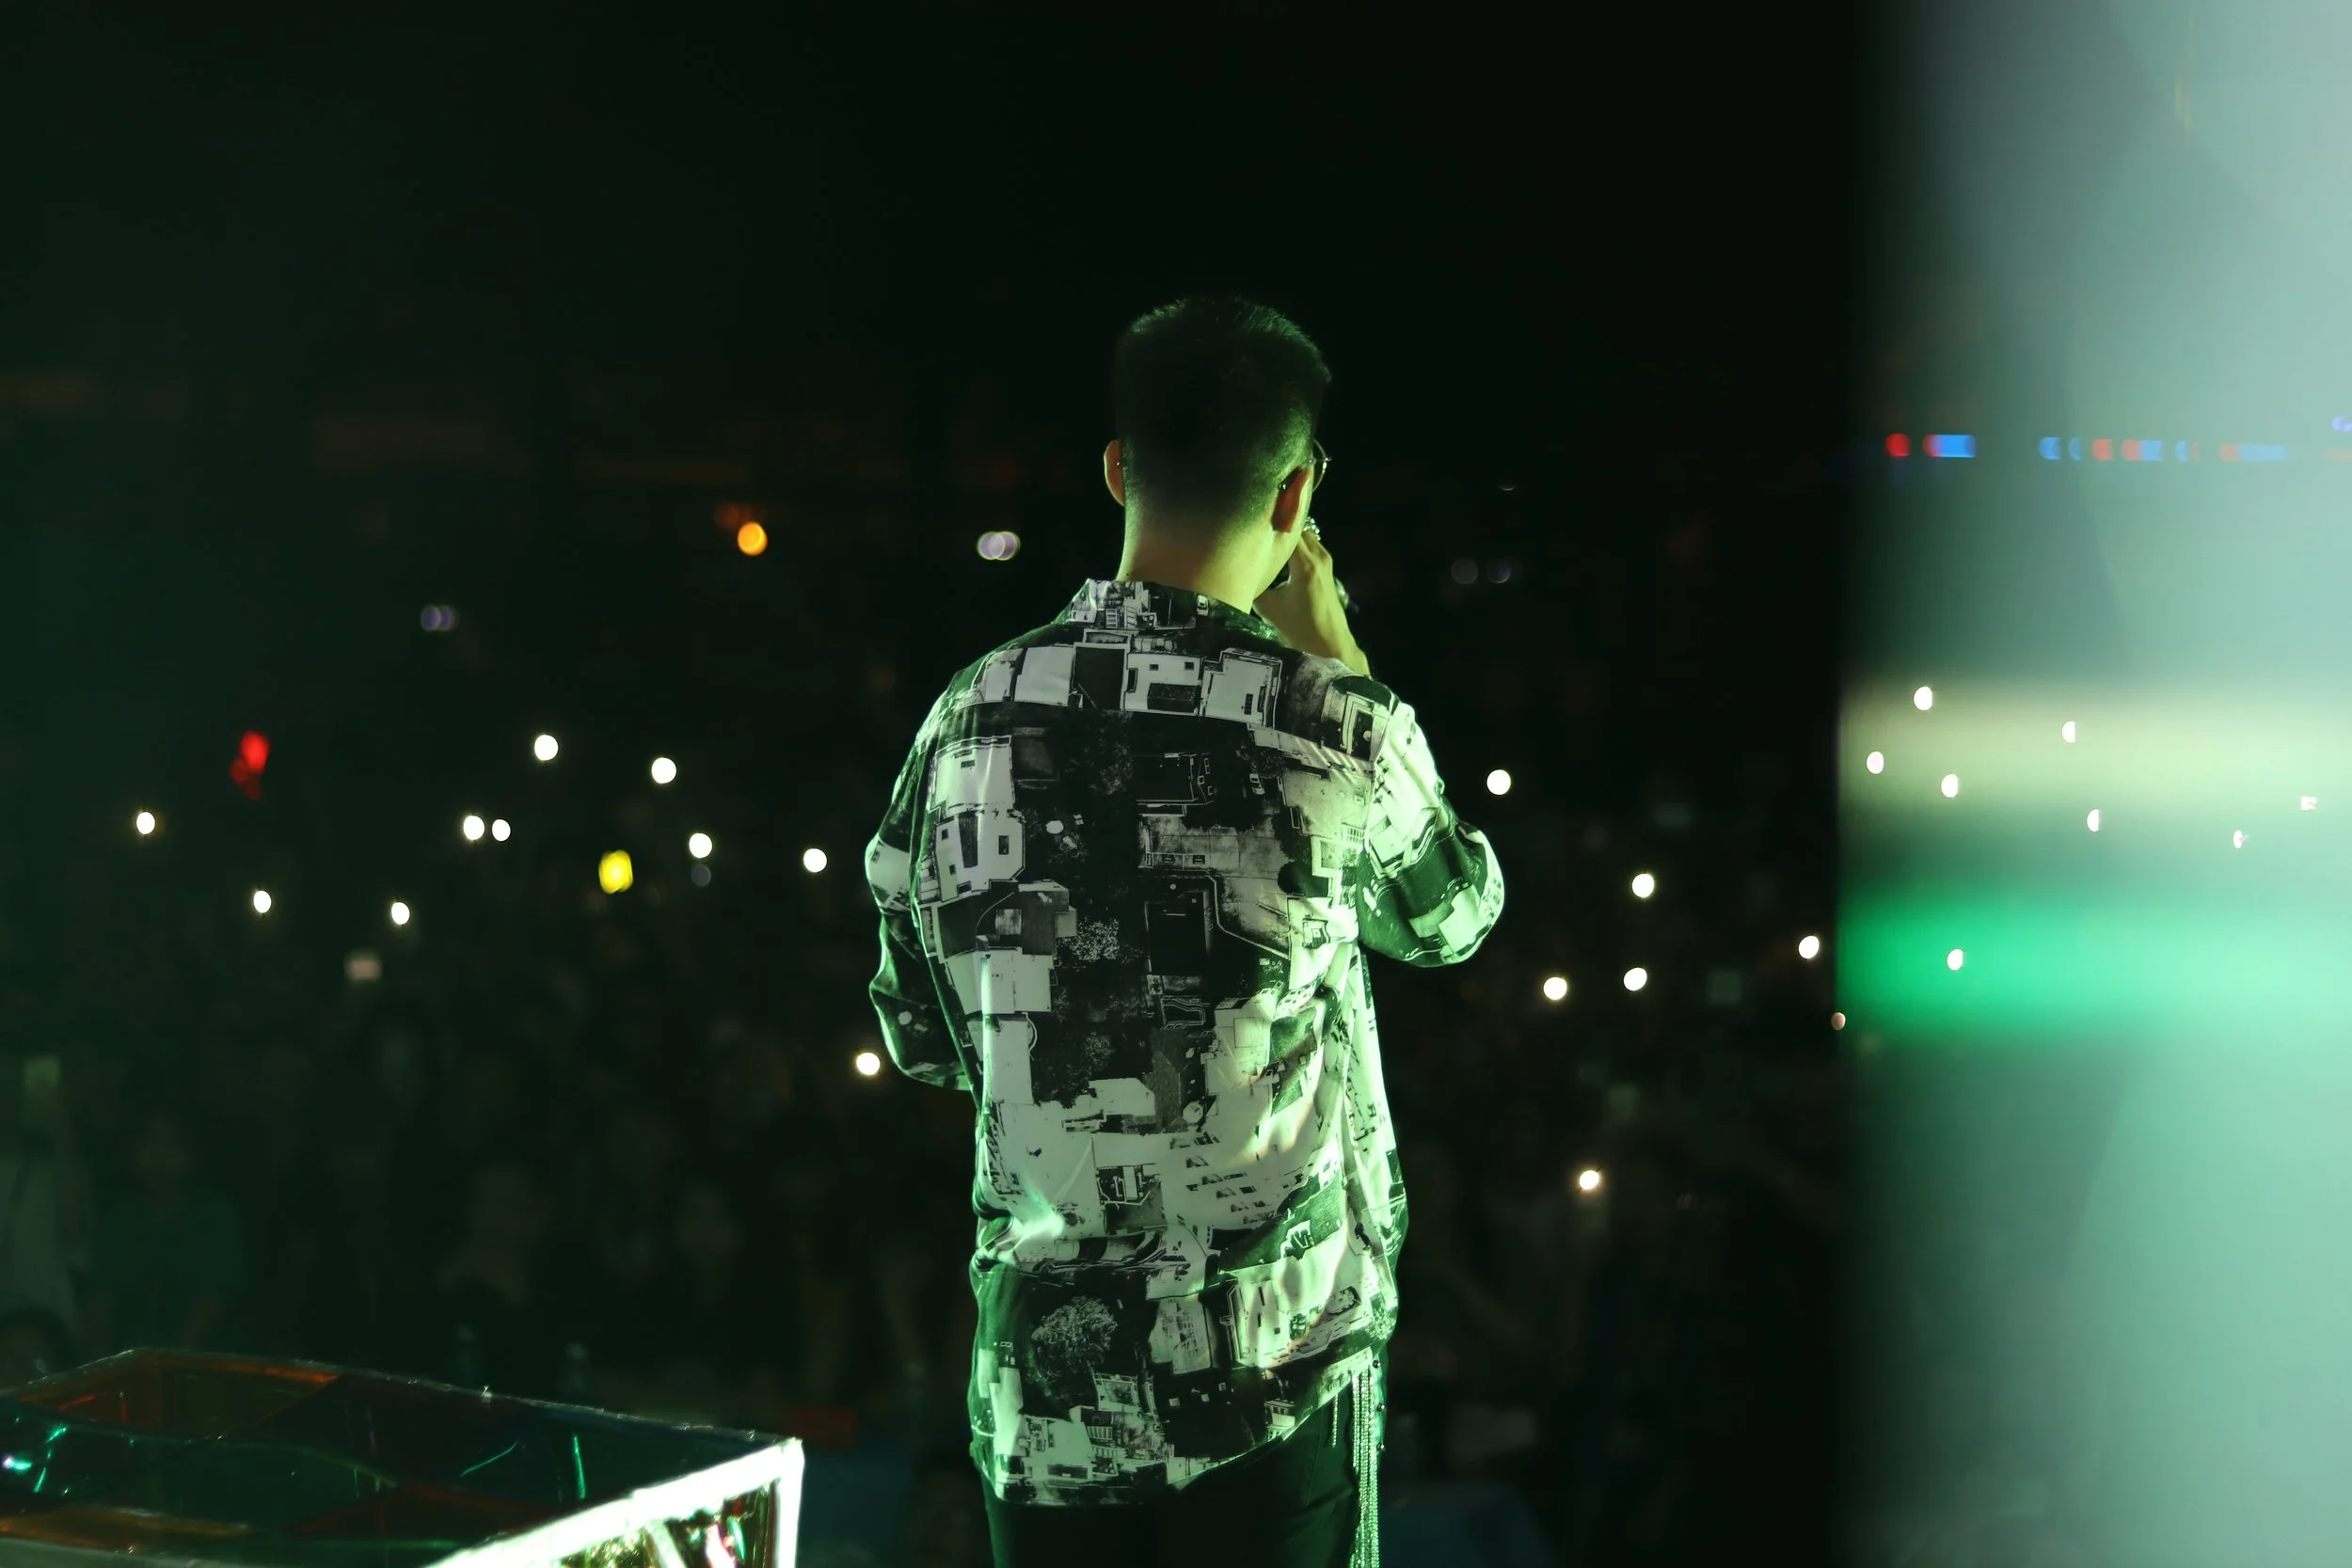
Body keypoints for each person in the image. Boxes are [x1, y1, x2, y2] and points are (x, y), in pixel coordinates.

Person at [862, 295, 1505, 1567]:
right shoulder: (1336, 726)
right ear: (1297, 493)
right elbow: (1454, 916)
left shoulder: (966, 720)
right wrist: (1341, 654)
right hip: (1273, 1381)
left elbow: (919, 1036)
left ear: (1117, 468)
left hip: (1049, 1397)